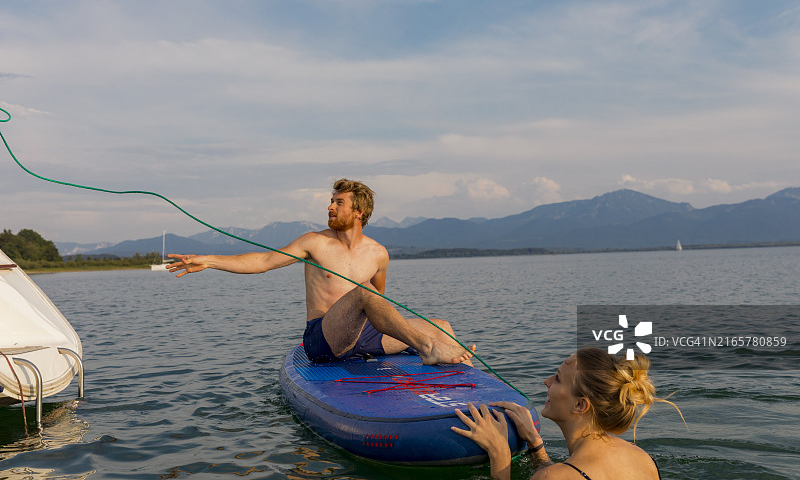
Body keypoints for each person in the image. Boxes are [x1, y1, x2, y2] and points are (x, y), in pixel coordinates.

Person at [167, 178, 475, 366]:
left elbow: (379, 304)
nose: (330, 207)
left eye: (338, 203)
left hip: (362, 337)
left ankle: (471, 391)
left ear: (359, 212)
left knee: (442, 326)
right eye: (330, 202)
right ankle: (427, 348)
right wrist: (209, 260)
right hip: (324, 340)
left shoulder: (379, 254)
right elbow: (262, 262)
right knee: (365, 293)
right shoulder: (313, 242)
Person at [452, 347, 682, 480]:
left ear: (581, 406)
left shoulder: (555, 477)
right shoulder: (642, 458)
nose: (546, 382)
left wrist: (500, 456)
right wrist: (535, 444)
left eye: (558, 379)